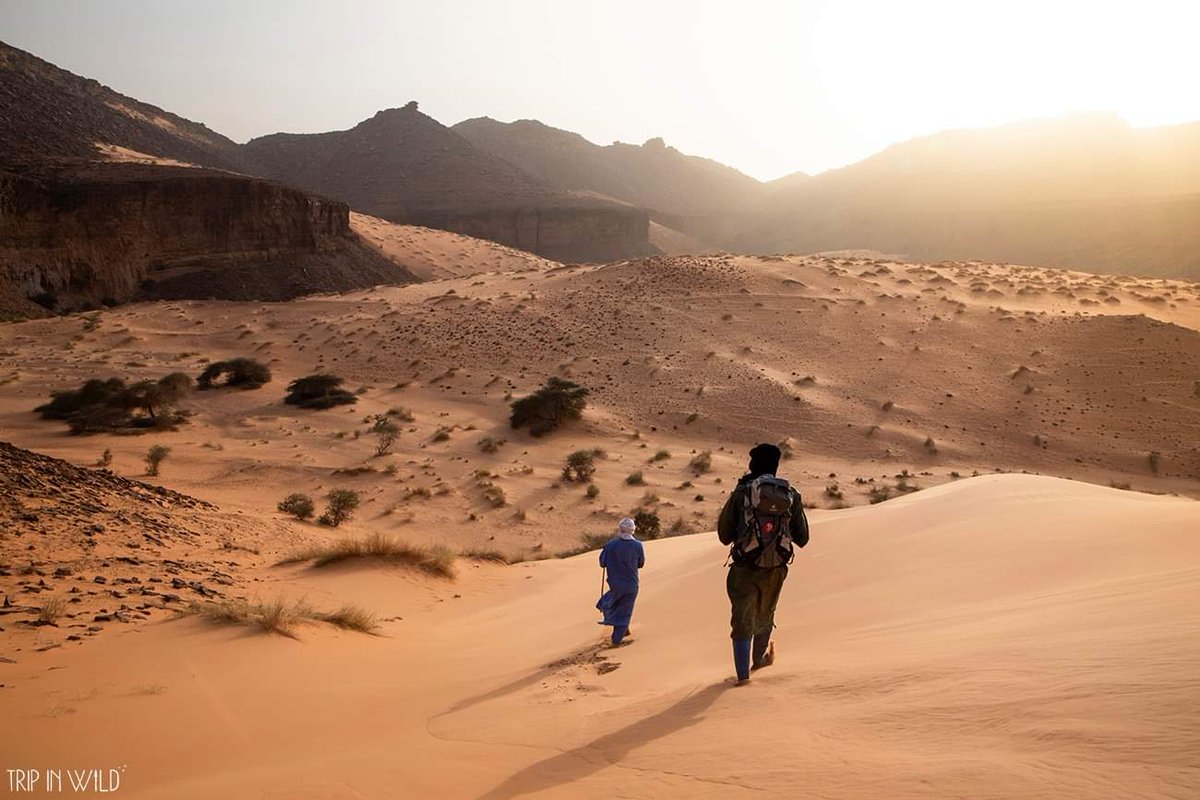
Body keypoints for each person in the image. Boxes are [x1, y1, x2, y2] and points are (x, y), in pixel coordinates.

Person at [717, 443, 809, 684]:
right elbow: (803, 538)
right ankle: (758, 660)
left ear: (752, 464)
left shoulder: (742, 492)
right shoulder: (791, 494)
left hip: (744, 568)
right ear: (776, 466)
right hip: (776, 568)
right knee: (766, 612)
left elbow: (724, 535)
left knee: (742, 619)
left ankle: (743, 678)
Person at [597, 517, 645, 646]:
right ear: (632, 530)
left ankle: (623, 631)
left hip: (615, 584)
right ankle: (616, 640)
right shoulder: (637, 545)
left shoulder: (610, 544)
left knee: (611, 603)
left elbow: (602, 563)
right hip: (631, 584)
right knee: (625, 612)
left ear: (620, 529)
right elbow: (641, 564)